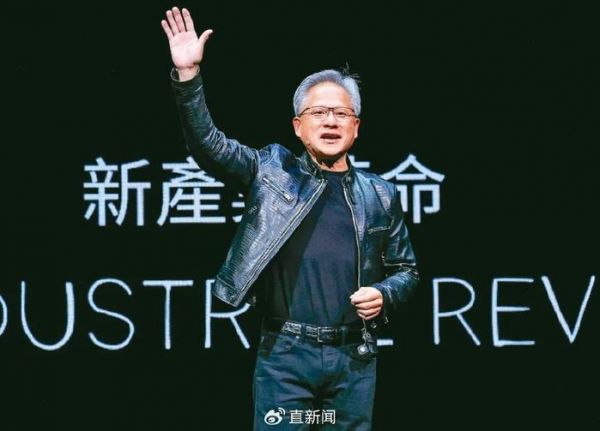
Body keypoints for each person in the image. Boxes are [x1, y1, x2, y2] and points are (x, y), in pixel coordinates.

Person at [162, 7, 418, 430]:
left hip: (353, 358)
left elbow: (407, 270)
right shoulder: (271, 171)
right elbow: (209, 145)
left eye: (341, 114)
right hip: (286, 354)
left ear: (356, 127)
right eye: (319, 113)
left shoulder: (380, 194)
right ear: (298, 126)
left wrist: (384, 293)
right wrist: (188, 77)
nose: (330, 121)